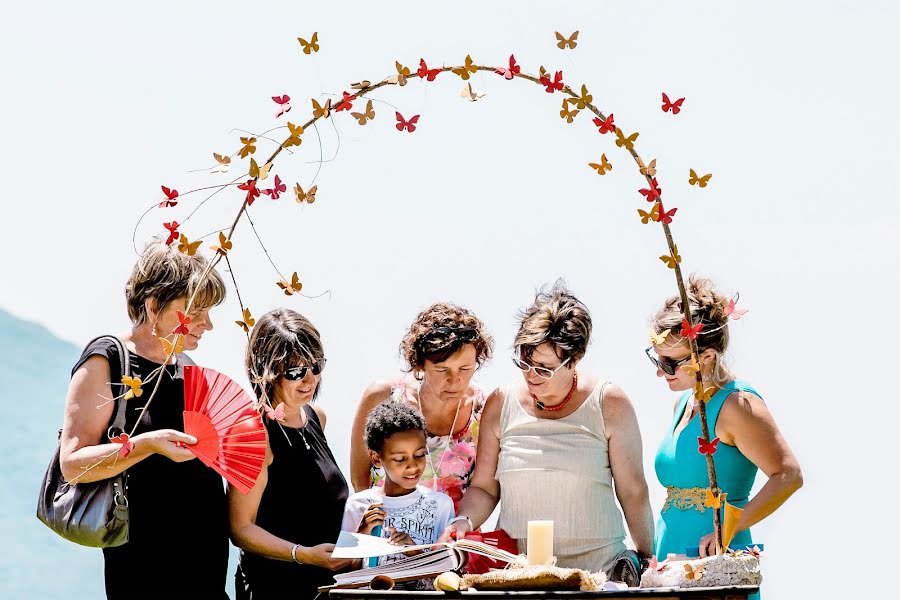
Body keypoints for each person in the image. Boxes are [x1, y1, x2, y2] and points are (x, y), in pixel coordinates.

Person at [444, 283, 654, 584]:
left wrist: (647, 560)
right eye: (524, 362)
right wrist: (464, 520)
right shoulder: (500, 403)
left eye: (544, 368)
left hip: (600, 577)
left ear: (574, 360)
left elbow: (633, 492)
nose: (530, 375)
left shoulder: (609, 403)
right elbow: (484, 489)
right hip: (521, 578)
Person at [58, 240, 229, 599]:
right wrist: (146, 444)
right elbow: (72, 465)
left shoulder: (188, 367)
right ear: (153, 306)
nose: (208, 324)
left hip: (205, 567)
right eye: (195, 310)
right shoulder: (107, 360)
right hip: (145, 569)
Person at [647, 276, 803, 562]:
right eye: (656, 359)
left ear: (706, 356)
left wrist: (731, 527)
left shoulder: (737, 405)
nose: (660, 371)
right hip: (671, 558)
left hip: (718, 560)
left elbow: (789, 476)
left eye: (669, 363)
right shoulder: (683, 402)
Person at [229, 308, 353, 600]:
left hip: (326, 586)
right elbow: (240, 528)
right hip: (273, 588)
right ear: (267, 373)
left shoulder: (316, 417)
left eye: (316, 366)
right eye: (295, 372)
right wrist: (304, 555)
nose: (309, 380)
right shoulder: (253, 433)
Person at [350, 303, 493, 510]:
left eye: (465, 368)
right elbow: (359, 479)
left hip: (455, 537)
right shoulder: (383, 396)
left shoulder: (484, 410)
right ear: (420, 364)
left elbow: (486, 487)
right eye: (442, 369)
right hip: (386, 536)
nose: (455, 380)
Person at [342, 400, 456, 589]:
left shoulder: (441, 505)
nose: (412, 465)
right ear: (376, 458)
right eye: (400, 459)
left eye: (419, 454)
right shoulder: (358, 504)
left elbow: (447, 573)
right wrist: (361, 535)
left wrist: (414, 552)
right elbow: (343, 573)